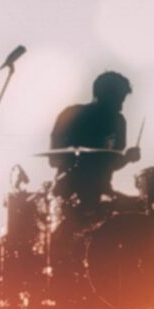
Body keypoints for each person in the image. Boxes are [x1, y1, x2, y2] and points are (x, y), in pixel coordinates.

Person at [49, 70, 142, 212]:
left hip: (102, 193)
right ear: (101, 96)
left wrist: (128, 157)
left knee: (141, 210)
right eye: (117, 100)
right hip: (68, 195)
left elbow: (111, 164)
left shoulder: (119, 122)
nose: (121, 106)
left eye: (122, 100)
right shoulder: (71, 115)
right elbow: (53, 160)